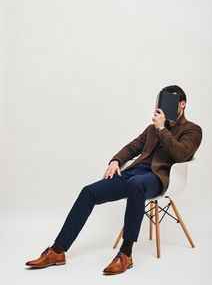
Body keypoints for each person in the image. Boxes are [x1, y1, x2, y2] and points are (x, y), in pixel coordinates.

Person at [25, 85, 202, 275]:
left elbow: (182, 153)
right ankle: (58, 251)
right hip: (134, 173)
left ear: (182, 104)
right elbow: (133, 147)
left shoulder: (192, 130)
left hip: (158, 178)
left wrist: (161, 128)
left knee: (136, 185)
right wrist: (115, 161)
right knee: (89, 192)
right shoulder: (152, 129)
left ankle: (126, 254)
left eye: (171, 101)